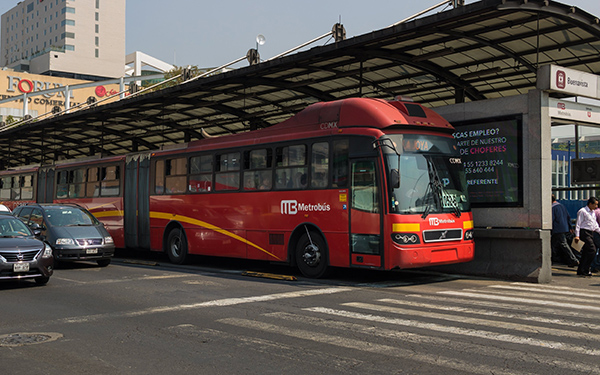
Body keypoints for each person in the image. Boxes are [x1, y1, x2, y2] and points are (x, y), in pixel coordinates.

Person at [574, 196, 600, 277]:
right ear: (590, 203)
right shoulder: (582, 211)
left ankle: (582, 270)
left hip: (591, 232)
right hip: (584, 232)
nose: (596, 206)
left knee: (586, 252)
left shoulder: (592, 212)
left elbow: (595, 224)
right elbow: (578, 224)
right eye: (595, 204)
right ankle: (586, 268)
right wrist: (577, 235)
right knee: (592, 250)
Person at [551, 194, 579, 267]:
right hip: (564, 228)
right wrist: (570, 227)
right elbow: (568, 217)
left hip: (557, 228)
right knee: (553, 244)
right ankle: (553, 259)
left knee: (563, 244)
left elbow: (551, 219)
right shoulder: (562, 206)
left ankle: (573, 259)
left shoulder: (552, 208)